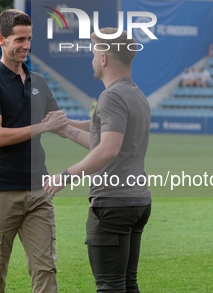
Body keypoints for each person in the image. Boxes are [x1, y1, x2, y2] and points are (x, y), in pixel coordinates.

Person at [43, 26, 152, 293]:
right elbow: (101, 138)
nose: (92, 60)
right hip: (137, 201)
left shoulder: (111, 96)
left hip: (113, 203)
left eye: (94, 54)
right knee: (127, 284)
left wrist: (64, 176)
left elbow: (107, 150)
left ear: (103, 57)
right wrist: (65, 127)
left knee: (109, 287)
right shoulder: (136, 94)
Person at [0, 9, 67, 293]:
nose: (26, 45)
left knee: (46, 270)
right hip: (0, 191)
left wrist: (107, 130)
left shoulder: (39, 81)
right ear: (1, 39)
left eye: (30, 38)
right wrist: (42, 127)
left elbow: (59, 125)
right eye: (20, 39)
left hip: (39, 190)